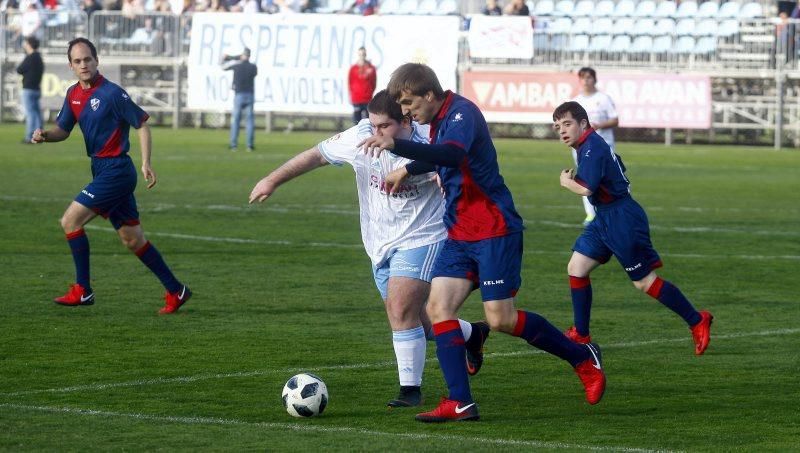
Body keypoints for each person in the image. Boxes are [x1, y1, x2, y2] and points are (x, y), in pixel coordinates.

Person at [359, 63, 606, 423]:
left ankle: (582, 357)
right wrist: (406, 168)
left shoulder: (462, 113)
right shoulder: (436, 121)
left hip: (494, 228)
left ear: (430, 94)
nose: (407, 111)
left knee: (500, 318)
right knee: (438, 309)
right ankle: (459, 401)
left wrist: (399, 149)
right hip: (459, 232)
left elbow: (452, 155)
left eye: (410, 103)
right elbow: (440, 155)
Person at [248, 90, 490, 408]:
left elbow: (458, 168)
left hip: (424, 237)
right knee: (423, 323)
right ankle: (473, 334)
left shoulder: (430, 142)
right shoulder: (361, 135)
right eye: (372, 124)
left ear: (407, 120)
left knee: (400, 311)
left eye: (384, 126)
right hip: (378, 243)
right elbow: (317, 155)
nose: (376, 133)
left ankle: (410, 391)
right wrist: (272, 179)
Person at [31, 38, 191, 314]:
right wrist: (45, 135)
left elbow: (141, 124)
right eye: (78, 61)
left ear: (96, 60)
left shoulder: (112, 93)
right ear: (71, 65)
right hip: (102, 169)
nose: (84, 65)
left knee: (70, 221)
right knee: (132, 239)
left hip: (117, 170)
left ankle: (83, 290)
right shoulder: (73, 95)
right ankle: (176, 290)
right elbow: (63, 130)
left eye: (88, 59)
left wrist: (146, 163)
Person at [552, 101, 713, 355]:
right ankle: (581, 334)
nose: (561, 130)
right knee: (577, 267)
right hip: (604, 216)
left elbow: (586, 188)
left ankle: (697, 320)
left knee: (644, 282)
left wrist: (565, 181)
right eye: (557, 126)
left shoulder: (592, 147)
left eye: (567, 123)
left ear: (583, 123)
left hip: (622, 219)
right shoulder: (588, 146)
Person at [572, 67, 618, 226]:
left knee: (610, 178)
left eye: (589, 77)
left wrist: (599, 125)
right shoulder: (576, 101)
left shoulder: (604, 98)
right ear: (579, 80)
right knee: (585, 179)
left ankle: (615, 211)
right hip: (582, 147)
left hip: (604, 145)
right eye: (583, 77)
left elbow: (615, 120)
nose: (586, 80)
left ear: (594, 79)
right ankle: (591, 215)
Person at [221, 47, 257, 152]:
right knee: (249, 121)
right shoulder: (253, 67)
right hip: (250, 95)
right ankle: (249, 145)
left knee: (236, 120)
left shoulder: (237, 66)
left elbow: (222, 66)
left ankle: (233, 145)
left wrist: (234, 57)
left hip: (239, 95)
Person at [16, 36, 44, 145]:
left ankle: (30, 137)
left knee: (31, 113)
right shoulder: (39, 57)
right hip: (37, 88)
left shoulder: (30, 57)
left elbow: (19, 69)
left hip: (28, 88)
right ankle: (40, 135)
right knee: (37, 113)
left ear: (29, 45)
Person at [347, 46, 377, 125]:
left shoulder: (371, 68)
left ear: (365, 54)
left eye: (363, 54)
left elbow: (374, 83)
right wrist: (351, 95)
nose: (362, 56)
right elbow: (350, 83)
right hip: (356, 98)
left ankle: (368, 137)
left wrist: (369, 92)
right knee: (356, 122)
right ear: (358, 55)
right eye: (360, 54)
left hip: (367, 98)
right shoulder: (353, 68)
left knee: (368, 121)